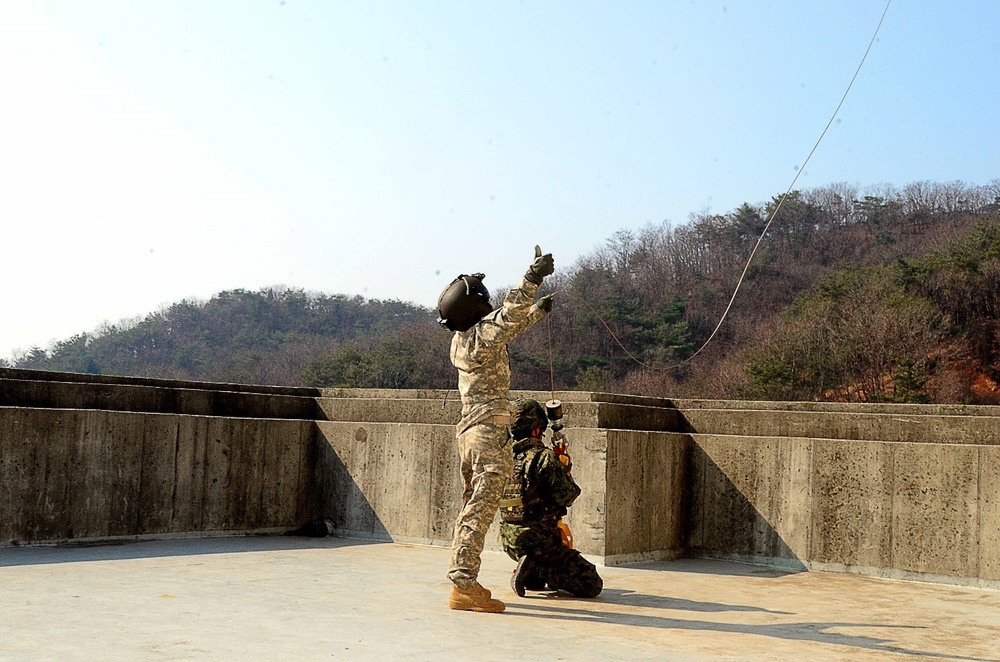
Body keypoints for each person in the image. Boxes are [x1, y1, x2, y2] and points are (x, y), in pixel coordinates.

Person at [438, 246, 555, 613]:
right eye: (484, 301)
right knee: (478, 511)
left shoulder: (464, 341)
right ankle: (463, 584)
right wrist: (532, 278)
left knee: (472, 508)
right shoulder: (481, 336)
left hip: (471, 434)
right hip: (488, 435)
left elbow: (506, 326)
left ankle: (463, 579)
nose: (489, 304)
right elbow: (508, 315)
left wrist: (536, 312)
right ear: (475, 308)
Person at [499, 398, 603, 599]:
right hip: (539, 542)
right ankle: (536, 567)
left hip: (510, 541)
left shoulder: (504, 459)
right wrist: (565, 469)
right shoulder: (543, 457)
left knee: (537, 584)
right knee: (591, 583)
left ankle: (531, 568)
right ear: (537, 430)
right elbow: (567, 496)